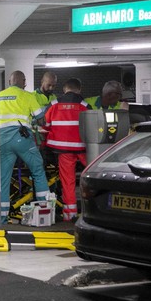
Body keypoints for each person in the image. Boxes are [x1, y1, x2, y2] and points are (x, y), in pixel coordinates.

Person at [0, 71, 50, 224]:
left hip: (2, 141)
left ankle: (2, 217)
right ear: (24, 82)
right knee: (38, 170)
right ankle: (44, 210)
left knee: (3, 178)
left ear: (9, 81)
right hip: (22, 139)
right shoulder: (28, 96)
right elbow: (41, 120)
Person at [42, 78, 90, 221]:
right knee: (95, 176)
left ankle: (70, 215)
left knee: (67, 182)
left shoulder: (53, 104)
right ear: (79, 90)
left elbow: (45, 126)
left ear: (64, 89)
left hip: (63, 150)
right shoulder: (85, 105)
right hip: (83, 149)